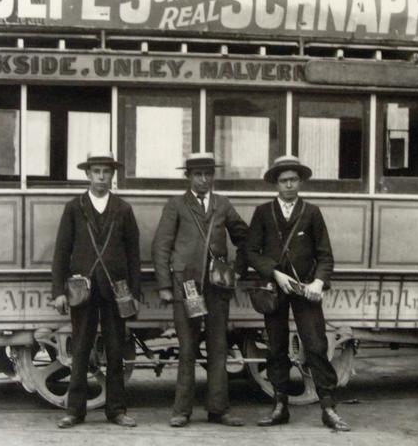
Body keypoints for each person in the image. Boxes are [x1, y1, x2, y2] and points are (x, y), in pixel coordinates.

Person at [246, 155, 351, 432]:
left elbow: (325, 255)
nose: (289, 185)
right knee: (277, 345)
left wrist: (318, 282)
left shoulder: (312, 212)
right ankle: (280, 406)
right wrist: (274, 273)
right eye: (284, 181)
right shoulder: (263, 212)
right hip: (274, 289)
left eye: (293, 180)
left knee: (315, 345)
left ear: (300, 182)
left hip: (305, 289)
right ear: (276, 184)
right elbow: (251, 252)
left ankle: (328, 408)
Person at [152, 152, 249, 427]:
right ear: (188, 177)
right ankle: (181, 411)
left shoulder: (223, 205)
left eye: (208, 174)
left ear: (213, 176)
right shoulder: (176, 205)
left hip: (218, 288)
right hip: (186, 287)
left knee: (218, 348)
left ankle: (219, 409)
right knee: (187, 349)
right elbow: (161, 247)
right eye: (198, 174)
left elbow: (245, 238)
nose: (204, 179)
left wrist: (238, 270)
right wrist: (163, 286)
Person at [51, 152, 142, 429]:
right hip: (82, 289)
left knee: (115, 351)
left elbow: (133, 255)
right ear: (87, 175)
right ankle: (74, 412)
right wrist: (59, 291)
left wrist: (134, 294)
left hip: (116, 290)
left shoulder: (124, 208)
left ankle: (116, 410)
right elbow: (61, 252)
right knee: (80, 349)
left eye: (106, 171)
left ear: (112, 175)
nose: (102, 177)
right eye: (97, 171)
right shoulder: (74, 207)